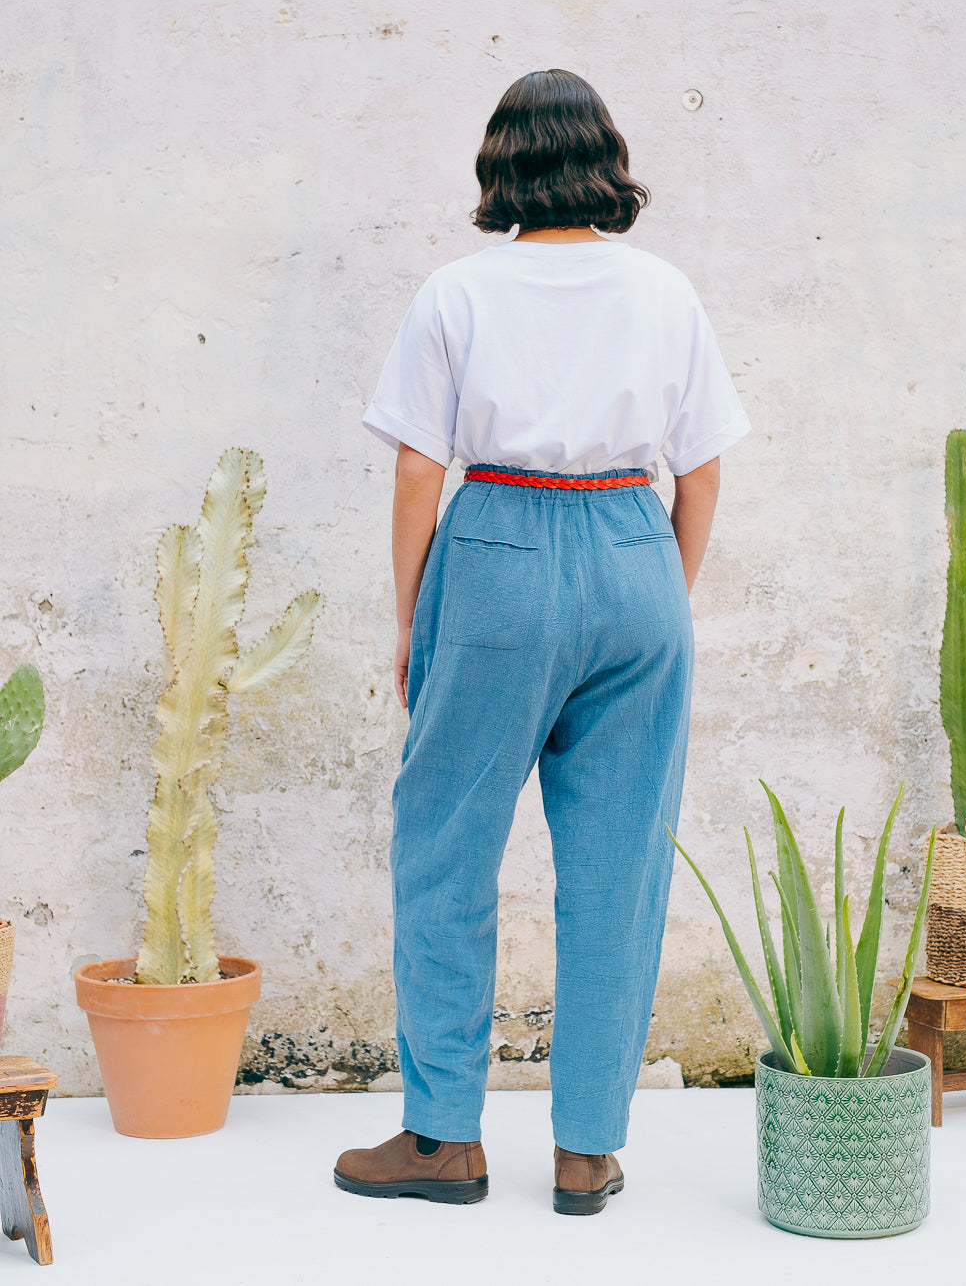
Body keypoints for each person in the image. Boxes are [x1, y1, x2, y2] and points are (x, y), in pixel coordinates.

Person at [336, 69, 750, 1216]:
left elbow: (421, 469)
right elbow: (703, 468)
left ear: (501, 166)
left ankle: (441, 1140)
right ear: (606, 163)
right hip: (635, 546)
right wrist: (659, 591)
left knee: (445, 850)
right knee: (618, 871)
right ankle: (585, 1153)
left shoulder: (456, 293)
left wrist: (417, 620)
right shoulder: (665, 291)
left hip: (499, 549)